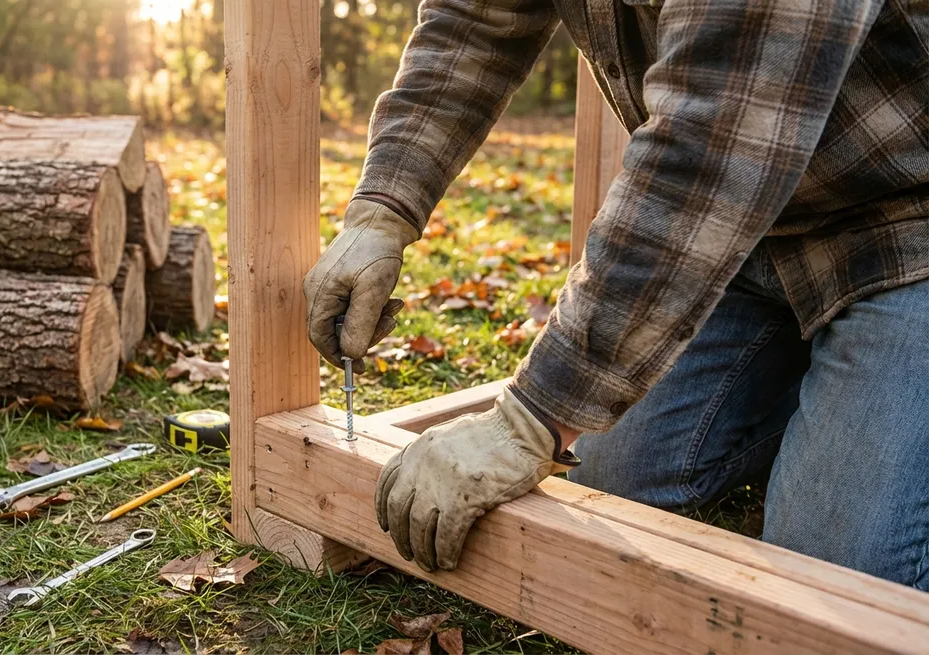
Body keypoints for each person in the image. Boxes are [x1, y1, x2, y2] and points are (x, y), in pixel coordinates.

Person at [302, 0, 929, 591]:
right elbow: (475, 21)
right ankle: (834, 390)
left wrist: (533, 420)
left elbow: (710, 147)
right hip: (745, 237)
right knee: (608, 484)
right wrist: (383, 209)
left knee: (834, 582)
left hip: (908, 228)